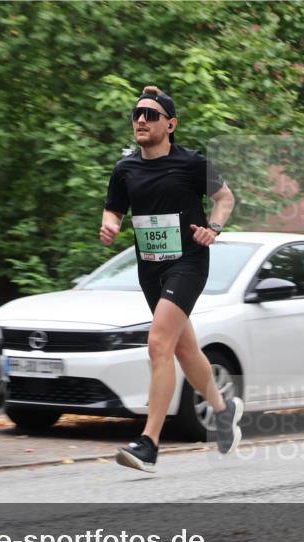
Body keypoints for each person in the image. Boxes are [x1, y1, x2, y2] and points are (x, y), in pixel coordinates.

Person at [100, 85, 242, 473]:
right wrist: (109, 226)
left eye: (151, 115)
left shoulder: (192, 163)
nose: (141, 120)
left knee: (158, 343)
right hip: (150, 269)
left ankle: (149, 443)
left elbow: (225, 199)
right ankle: (224, 410)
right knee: (183, 349)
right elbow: (113, 211)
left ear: (171, 124)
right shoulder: (125, 168)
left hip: (189, 263)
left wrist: (212, 228)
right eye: (137, 115)